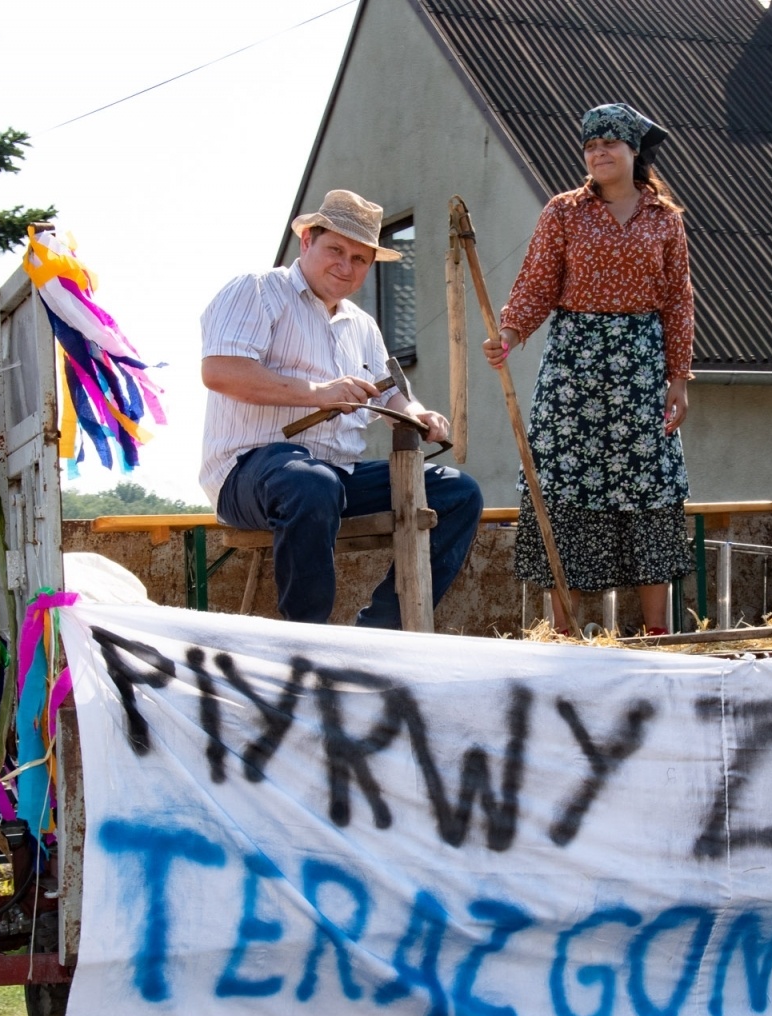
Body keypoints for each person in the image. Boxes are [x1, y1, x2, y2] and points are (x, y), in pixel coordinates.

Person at [200, 188, 483, 628]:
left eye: (359, 259)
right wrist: (317, 393)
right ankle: (310, 644)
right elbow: (221, 372)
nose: (345, 266)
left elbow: (390, 392)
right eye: (336, 249)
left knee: (457, 492)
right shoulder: (258, 290)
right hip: (249, 472)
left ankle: (380, 632)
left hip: (335, 477)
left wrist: (420, 413)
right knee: (309, 483)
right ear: (307, 241)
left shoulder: (362, 325)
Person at [483, 103, 694, 635]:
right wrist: (508, 335)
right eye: (590, 145)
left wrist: (679, 378)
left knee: (649, 483)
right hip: (574, 365)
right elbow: (537, 283)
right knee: (564, 482)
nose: (598, 153)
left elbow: (677, 301)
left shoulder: (665, 219)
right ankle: (565, 634)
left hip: (641, 366)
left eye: (610, 144)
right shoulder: (563, 212)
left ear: (633, 151)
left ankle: (656, 633)